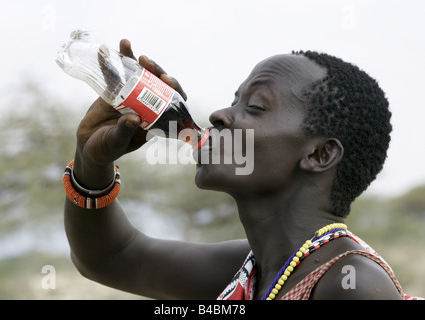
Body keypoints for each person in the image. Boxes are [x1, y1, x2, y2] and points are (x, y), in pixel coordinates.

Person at [63, 39, 419, 300]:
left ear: (320, 154)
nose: (220, 115)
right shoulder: (249, 270)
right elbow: (111, 257)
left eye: (256, 106)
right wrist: (91, 161)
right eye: (235, 101)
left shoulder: (349, 282)